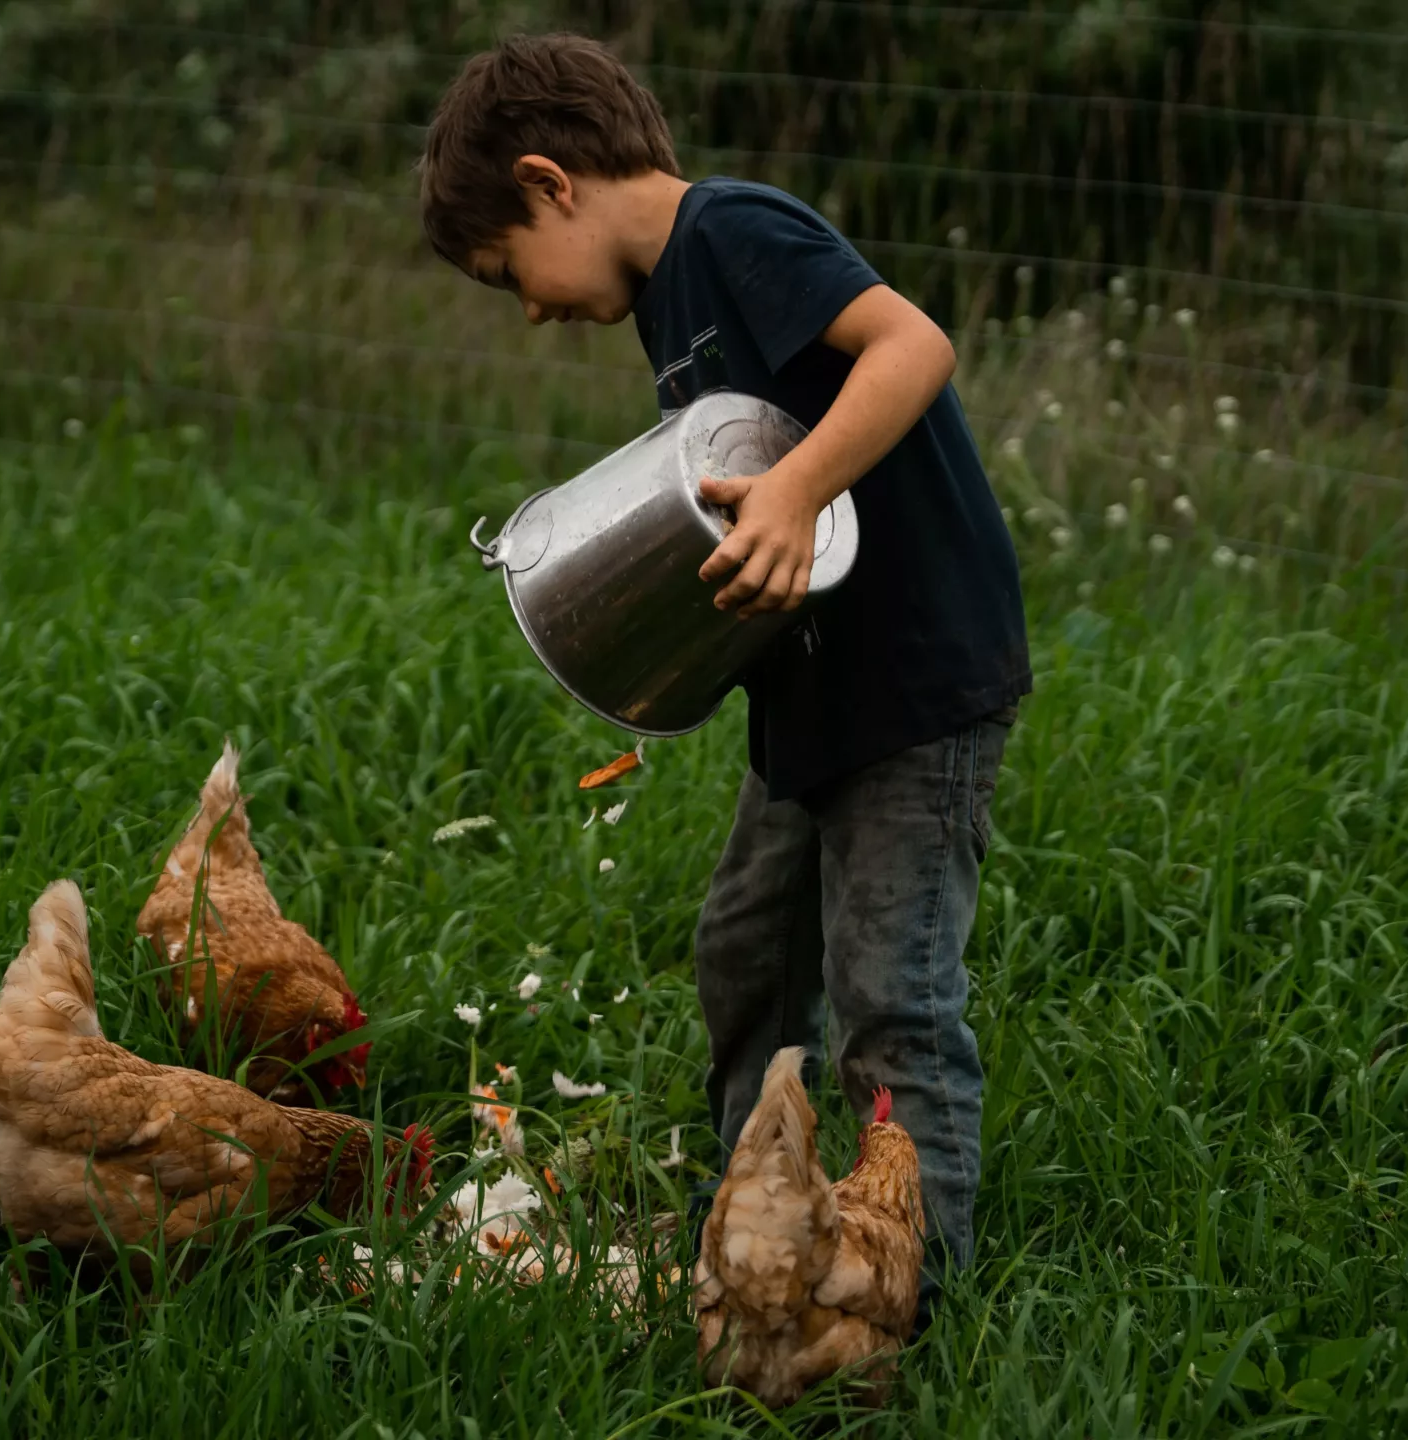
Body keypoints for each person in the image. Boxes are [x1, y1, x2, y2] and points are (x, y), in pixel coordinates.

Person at [419, 33, 1030, 1324]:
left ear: (550, 183)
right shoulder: (667, 295)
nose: (528, 308)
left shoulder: (735, 230)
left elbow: (913, 346)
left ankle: (918, 1301)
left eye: (507, 272)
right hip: (812, 699)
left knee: (893, 996)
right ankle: (751, 1235)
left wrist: (803, 488)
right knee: (746, 949)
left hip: (915, 689)